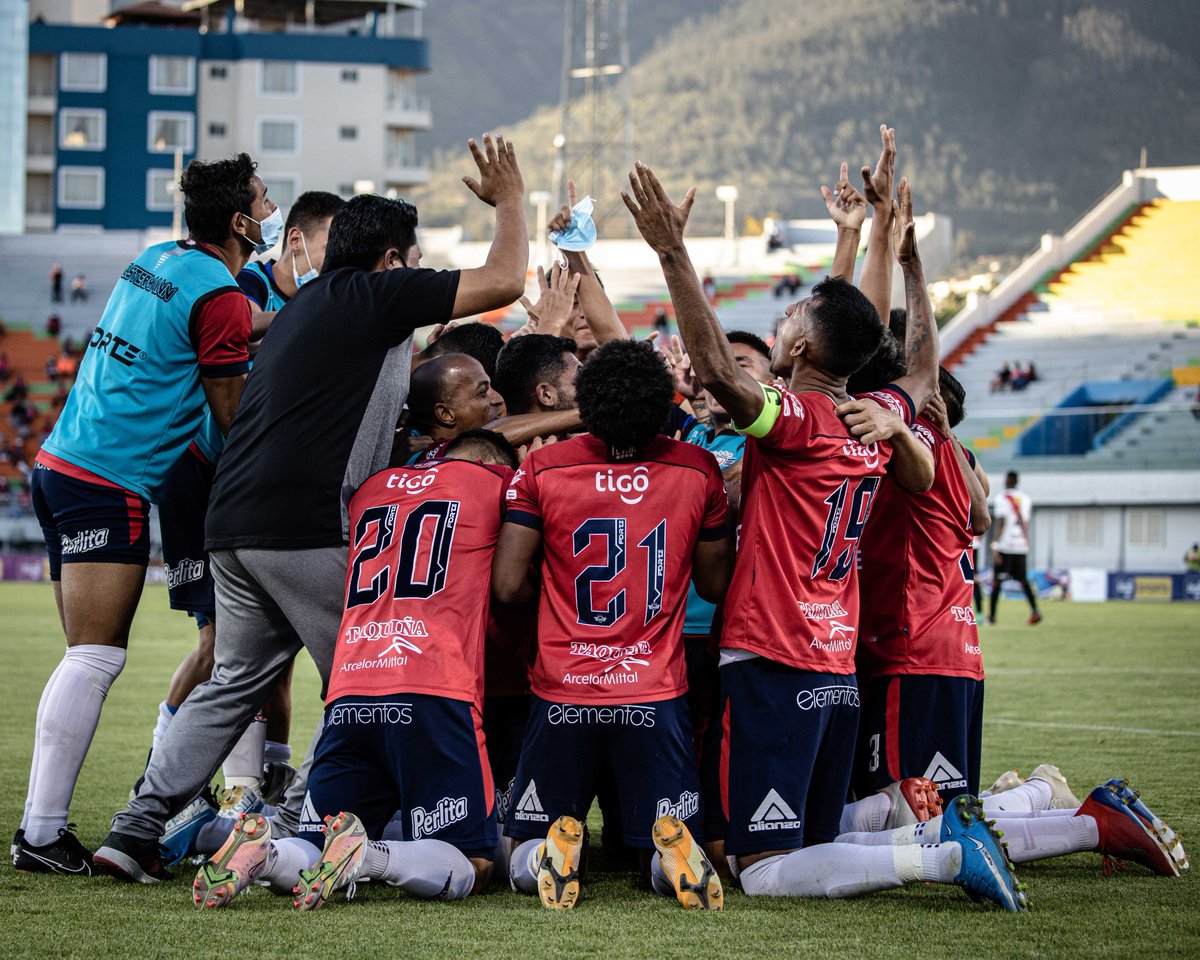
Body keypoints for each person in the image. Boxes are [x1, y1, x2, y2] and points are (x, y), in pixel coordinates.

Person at [95, 133, 529, 883]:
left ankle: (133, 828)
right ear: (392, 260)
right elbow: (504, 278)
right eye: (410, 257)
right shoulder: (376, 293)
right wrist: (513, 200)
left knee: (234, 680)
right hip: (301, 524)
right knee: (373, 673)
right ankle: (296, 822)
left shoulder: (303, 306)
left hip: (232, 523)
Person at [622, 159, 1026, 910]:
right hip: (834, 664)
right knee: (811, 835)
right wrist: (906, 261)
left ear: (803, 349)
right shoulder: (874, 421)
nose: (781, 324)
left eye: (791, 320)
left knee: (762, 867)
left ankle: (939, 857)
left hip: (771, 658)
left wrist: (671, 251)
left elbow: (713, 364)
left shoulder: (798, 420)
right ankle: (913, 820)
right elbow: (925, 366)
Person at [15, 152, 267, 875]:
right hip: (110, 480)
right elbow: (231, 414)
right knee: (95, 657)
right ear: (240, 221)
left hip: (61, 464)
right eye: (263, 199)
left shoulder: (158, 259)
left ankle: (46, 826)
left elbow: (231, 322)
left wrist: (280, 321)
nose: (271, 210)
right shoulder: (217, 294)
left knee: (86, 657)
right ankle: (39, 833)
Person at [190, 433, 517, 910]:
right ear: (491, 462)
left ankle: (264, 853)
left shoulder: (373, 488)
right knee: (475, 863)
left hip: (350, 690)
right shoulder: (493, 482)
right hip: (432, 688)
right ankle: (369, 858)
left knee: (313, 838)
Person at [493, 338, 734, 911]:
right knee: (665, 838)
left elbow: (505, 585)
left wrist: (553, 594)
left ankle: (551, 854)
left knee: (516, 852)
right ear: (659, 400)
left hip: (563, 689)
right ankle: (668, 863)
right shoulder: (698, 468)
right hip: (655, 692)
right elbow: (714, 586)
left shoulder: (544, 465)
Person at [144, 193, 348, 863]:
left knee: (271, 653)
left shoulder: (309, 307)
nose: (334, 264)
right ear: (294, 241)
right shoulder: (242, 290)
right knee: (220, 650)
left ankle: (258, 782)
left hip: (250, 491)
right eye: (326, 248)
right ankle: (171, 778)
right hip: (203, 478)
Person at [237, 190, 346, 333]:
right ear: (295, 240)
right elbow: (248, 322)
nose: (337, 260)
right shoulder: (251, 279)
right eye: (330, 249)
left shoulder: (325, 298)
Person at [988, 471, 1041, 625]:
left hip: (1005, 546)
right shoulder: (1025, 499)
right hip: (1021, 545)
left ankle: (991, 617)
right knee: (1023, 580)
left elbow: (1001, 521)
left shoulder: (1002, 498)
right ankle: (1035, 611)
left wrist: (995, 544)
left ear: (1007, 481)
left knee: (997, 582)